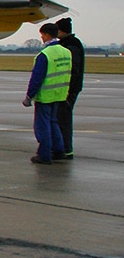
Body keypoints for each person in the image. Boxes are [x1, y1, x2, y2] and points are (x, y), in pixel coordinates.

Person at [22, 22, 72, 164]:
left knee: (42, 126)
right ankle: (59, 150)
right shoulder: (66, 52)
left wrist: (29, 96)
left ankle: (44, 155)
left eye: (42, 35)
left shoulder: (45, 55)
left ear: (47, 35)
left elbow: (37, 77)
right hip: (60, 93)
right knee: (53, 122)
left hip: (46, 95)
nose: (42, 38)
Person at [55, 17, 84, 159]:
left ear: (61, 31)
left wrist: (68, 90)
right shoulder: (69, 43)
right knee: (61, 118)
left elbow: (74, 69)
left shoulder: (71, 45)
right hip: (68, 88)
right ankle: (63, 148)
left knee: (64, 119)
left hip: (69, 89)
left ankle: (66, 149)